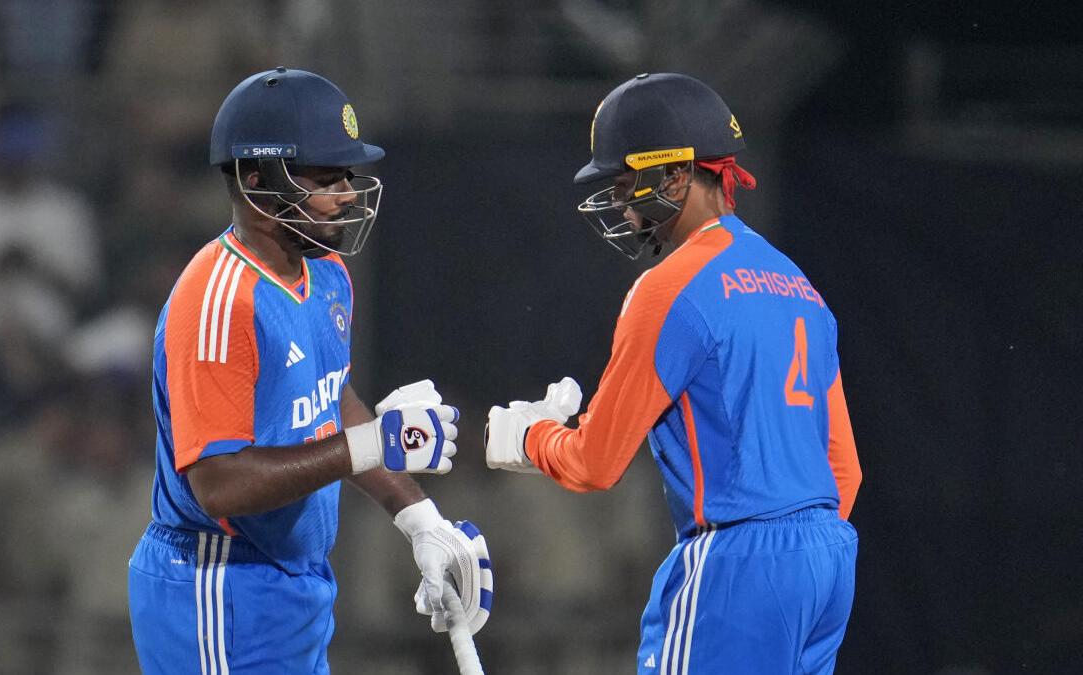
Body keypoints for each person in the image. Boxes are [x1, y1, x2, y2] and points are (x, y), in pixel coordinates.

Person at [485, 72, 862, 674]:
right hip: (828, 561)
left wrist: (531, 437)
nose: (620, 203)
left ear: (678, 174)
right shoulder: (799, 285)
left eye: (628, 182)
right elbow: (844, 469)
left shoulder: (668, 288)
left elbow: (594, 463)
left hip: (738, 562)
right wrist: (794, 555)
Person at [128, 68, 492, 675]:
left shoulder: (324, 272)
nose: (347, 193)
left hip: (290, 583)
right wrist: (369, 445)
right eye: (326, 177)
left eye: (347, 175)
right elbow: (218, 483)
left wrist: (419, 518)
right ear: (256, 181)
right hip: (218, 584)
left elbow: (330, 397)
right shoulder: (219, 300)